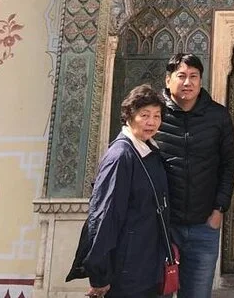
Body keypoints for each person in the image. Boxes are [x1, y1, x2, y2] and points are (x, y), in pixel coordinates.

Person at [67, 84, 169, 298]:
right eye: (145, 115)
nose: (151, 122)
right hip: (127, 270)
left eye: (156, 116)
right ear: (129, 116)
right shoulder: (121, 157)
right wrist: (100, 275)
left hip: (147, 264)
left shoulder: (149, 150)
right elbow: (105, 216)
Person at [154, 53, 234, 298]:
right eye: (181, 76)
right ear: (168, 80)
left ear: (201, 80)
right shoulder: (154, 115)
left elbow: (229, 164)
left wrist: (218, 210)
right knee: (156, 291)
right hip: (161, 227)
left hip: (203, 226)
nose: (187, 82)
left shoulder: (217, 116)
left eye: (193, 76)